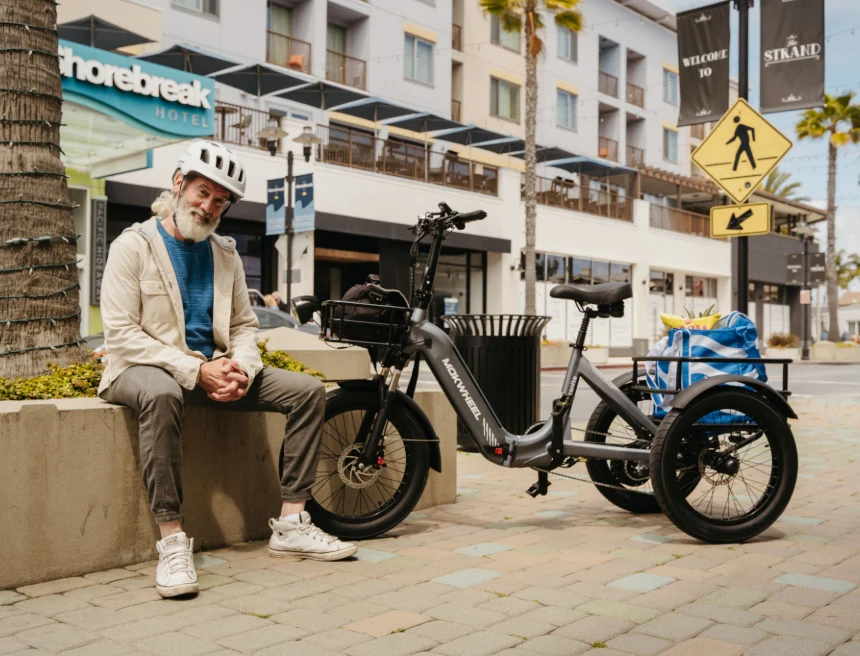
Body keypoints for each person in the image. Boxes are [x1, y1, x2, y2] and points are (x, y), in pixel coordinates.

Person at [99, 140, 356, 599]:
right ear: (178, 184)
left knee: (308, 391)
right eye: (202, 193)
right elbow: (121, 335)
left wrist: (239, 367)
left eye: (220, 201)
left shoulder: (226, 254)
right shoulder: (132, 246)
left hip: (214, 372)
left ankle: (293, 523)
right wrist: (197, 372)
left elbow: (243, 325)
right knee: (161, 394)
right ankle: (173, 542)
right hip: (141, 369)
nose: (209, 206)